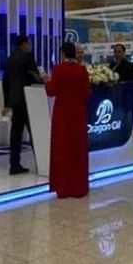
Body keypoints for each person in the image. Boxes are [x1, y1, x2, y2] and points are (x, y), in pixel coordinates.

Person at [46, 42, 91, 198]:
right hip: (78, 113)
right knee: (78, 149)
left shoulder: (58, 69)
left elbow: (51, 91)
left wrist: (46, 81)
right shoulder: (82, 70)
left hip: (62, 114)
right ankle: (79, 187)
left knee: (62, 149)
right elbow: (87, 93)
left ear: (63, 53)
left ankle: (63, 187)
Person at [2, 35, 41, 175]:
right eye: (29, 43)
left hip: (15, 100)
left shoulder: (9, 58)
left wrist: (7, 103)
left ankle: (14, 164)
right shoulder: (28, 56)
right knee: (35, 132)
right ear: (24, 44)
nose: (30, 46)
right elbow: (35, 76)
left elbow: (5, 83)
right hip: (28, 99)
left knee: (16, 134)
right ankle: (42, 163)